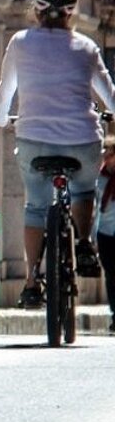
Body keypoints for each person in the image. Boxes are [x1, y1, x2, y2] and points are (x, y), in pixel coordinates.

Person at [0, 0, 115, 308]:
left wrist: (0, 119)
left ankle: (32, 280)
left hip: (33, 139)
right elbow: (110, 99)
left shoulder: (20, 42)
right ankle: (85, 242)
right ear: (71, 14)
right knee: (85, 190)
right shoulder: (86, 48)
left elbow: (5, 94)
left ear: (36, 11)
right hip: (82, 139)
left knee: (35, 206)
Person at [95, 137, 115, 333]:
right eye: (106, 155)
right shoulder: (100, 179)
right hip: (105, 232)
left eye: (111, 155)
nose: (107, 159)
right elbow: (95, 208)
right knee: (110, 274)